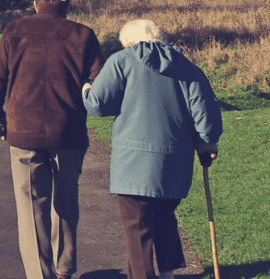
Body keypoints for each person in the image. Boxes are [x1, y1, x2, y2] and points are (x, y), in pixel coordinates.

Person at [82, 19, 222, 279]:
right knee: (165, 217)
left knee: (138, 227)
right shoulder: (187, 66)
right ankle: (167, 273)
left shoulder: (121, 61)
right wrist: (207, 142)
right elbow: (207, 117)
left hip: (133, 163)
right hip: (175, 161)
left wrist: (86, 87)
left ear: (128, 42)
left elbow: (99, 105)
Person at [0, 0, 105, 279]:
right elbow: (100, 84)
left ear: (36, 3)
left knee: (30, 209)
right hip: (69, 132)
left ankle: (41, 275)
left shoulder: (14, 31)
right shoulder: (83, 34)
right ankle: (64, 268)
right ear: (67, 5)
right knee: (66, 201)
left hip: (24, 131)